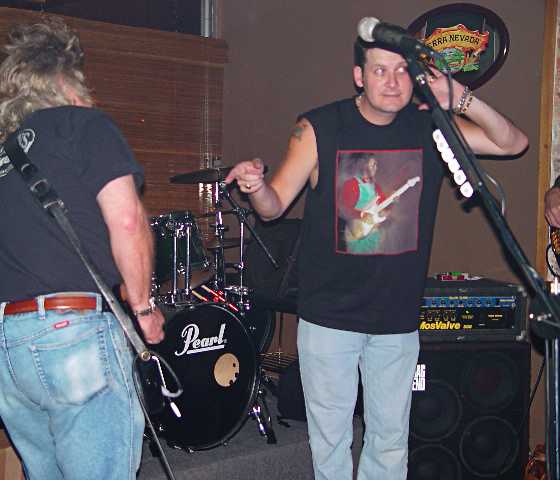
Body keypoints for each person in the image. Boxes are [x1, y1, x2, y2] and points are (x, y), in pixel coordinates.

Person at [225, 37, 528, 480]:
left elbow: (512, 142)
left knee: (389, 444)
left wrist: (461, 98)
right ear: (359, 76)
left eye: (402, 70)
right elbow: (274, 207)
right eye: (380, 70)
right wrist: (256, 189)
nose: (392, 81)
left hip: (397, 319)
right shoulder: (320, 127)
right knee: (331, 445)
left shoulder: (429, 127)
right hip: (329, 318)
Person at [0, 19, 164, 480]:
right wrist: (143, 307)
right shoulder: (85, 124)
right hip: (65, 334)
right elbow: (128, 220)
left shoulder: (0, 159)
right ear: (65, 83)